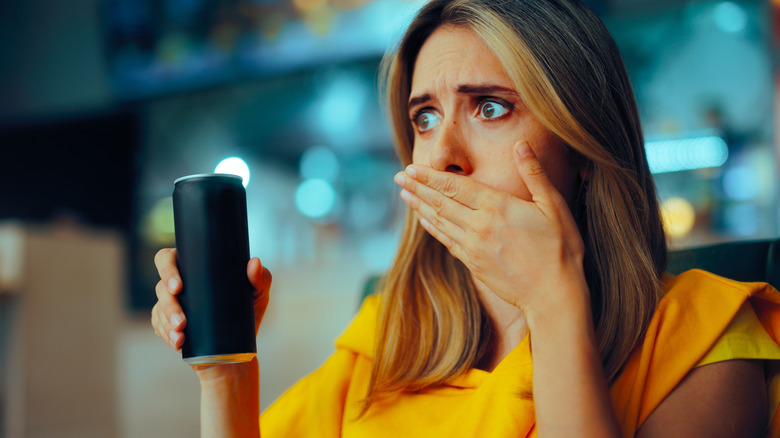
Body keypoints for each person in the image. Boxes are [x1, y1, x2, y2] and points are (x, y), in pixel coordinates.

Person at [151, 0, 780, 436]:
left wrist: (554, 305)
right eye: (425, 117)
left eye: (490, 108)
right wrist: (225, 368)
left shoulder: (705, 334)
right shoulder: (390, 333)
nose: (444, 157)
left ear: (584, 149)